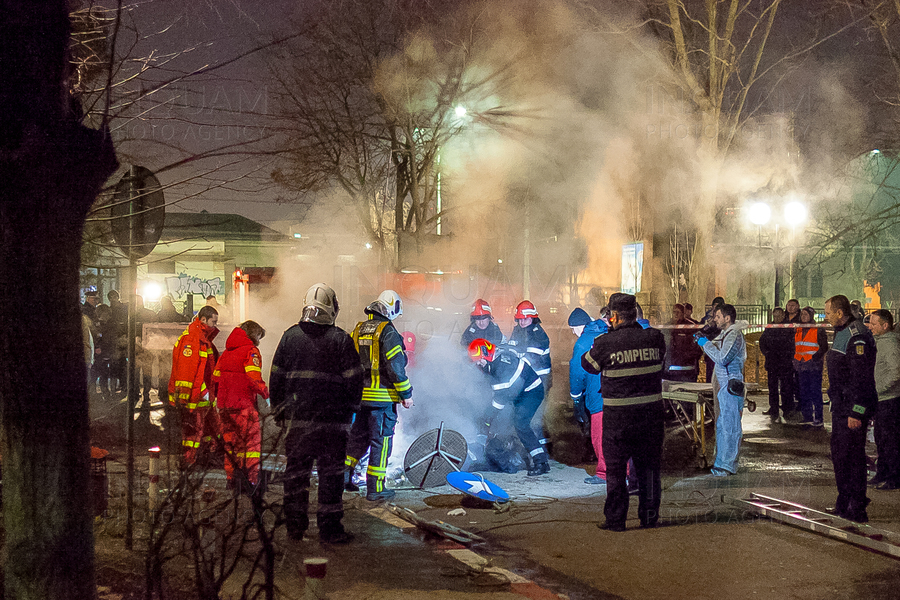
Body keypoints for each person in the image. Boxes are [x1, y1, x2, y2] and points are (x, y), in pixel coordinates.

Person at [270, 284, 363, 543]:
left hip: (297, 425)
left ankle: (294, 528)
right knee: (331, 477)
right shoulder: (341, 339)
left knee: (296, 476)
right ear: (332, 308)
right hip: (332, 426)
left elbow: (276, 378)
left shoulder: (289, 337)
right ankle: (330, 530)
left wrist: (278, 412)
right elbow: (354, 382)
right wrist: (351, 414)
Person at [582, 293, 666, 531]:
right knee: (649, 470)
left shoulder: (606, 343)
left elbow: (587, 364)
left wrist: (604, 339)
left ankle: (616, 520)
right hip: (651, 418)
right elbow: (662, 363)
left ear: (614, 316)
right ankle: (649, 517)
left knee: (617, 471)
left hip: (618, 420)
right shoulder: (655, 338)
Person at [345, 290, 414, 502]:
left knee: (357, 439)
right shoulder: (388, 332)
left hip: (360, 398)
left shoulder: (359, 329)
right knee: (381, 442)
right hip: (382, 399)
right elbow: (395, 367)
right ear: (391, 308)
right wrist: (406, 394)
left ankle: (344, 478)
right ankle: (375, 488)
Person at [823, 294, 877, 522]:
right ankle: (844, 501)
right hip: (841, 406)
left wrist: (857, 411)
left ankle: (857, 506)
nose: (825, 317)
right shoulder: (841, 332)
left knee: (853, 457)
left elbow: (861, 379)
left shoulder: (857, 337)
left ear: (839, 312)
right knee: (840, 455)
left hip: (851, 409)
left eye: (827, 313)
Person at [469, 338, 550, 476]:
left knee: (521, 423)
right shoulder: (493, 362)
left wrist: (488, 418)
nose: (478, 363)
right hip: (520, 393)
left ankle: (541, 462)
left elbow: (502, 396)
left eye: (479, 359)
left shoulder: (501, 365)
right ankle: (515, 453)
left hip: (532, 392)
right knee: (508, 422)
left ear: (486, 353)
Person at [213, 320, 269, 493]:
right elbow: (254, 378)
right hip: (244, 406)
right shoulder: (250, 351)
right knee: (250, 445)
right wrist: (266, 394)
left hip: (225, 406)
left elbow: (215, 378)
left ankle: (231, 479)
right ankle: (250, 480)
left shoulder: (226, 353)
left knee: (230, 444)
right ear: (254, 334)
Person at [696, 303, 747, 476]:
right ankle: (722, 463)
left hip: (731, 385)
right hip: (724, 386)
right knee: (723, 424)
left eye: (717, 316)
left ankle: (727, 465)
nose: (715, 320)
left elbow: (722, 357)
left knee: (730, 426)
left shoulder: (734, 335)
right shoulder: (726, 334)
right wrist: (704, 338)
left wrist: (705, 343)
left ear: (727, 318)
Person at [168, 305, 222, 467]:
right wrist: (184, 398)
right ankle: (187, 460)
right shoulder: (192, 339)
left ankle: (206, 456)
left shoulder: (202, 338)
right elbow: (186, 371)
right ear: (203, 320)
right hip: (195, 396)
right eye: (213, 321)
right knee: (194, 430)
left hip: (205, 394)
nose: (215, 325)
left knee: (210, 428)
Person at [568, 307, 608, 484]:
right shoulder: (607, 333)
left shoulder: (583, 342)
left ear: (580, 326)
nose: (573, 332)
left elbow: (577, 372)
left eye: (573, 328)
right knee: (617, 436)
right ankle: (627, 474)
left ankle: (605, 473)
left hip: (597, 395)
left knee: (599, 436)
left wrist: (576, 396)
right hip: (615, 393)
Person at [507, 300, 552, 450]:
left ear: (533, 318)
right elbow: (512, 351)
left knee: (535, 417)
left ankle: (540, 453)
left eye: (525, 318)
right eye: (519, 319)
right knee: (522, 416)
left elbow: (530, 360)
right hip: (524, 380)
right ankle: (527, 449)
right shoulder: (517, 331)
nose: (522, 321)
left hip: (540, 381)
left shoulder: (539, 335)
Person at [866, 309, 900, 490]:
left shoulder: (889, 344)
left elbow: (896, 371)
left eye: (873, 323)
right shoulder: (881, 342)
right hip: (882, 398)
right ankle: (883, 472)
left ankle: (894, 476)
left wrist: (879, 389)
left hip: (889, 399)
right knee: (880, 437)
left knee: (890, 440)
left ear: (885, 325)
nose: (870, 326)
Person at [759, 307, 795, 422]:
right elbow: (762, 341)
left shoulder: (788, 327)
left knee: (786, 387)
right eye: (775, 316)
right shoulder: (770, 327)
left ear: (783, 315)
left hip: (785, 362)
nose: (777, 318)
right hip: (772, 362)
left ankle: (787, 409)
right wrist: (767, 353)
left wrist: (787, 355)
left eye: (779, 316)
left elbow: (792, 343)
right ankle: (773, 408)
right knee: (772, 387)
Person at [794, 307, 828, 427]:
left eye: (806, 314)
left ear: (811, 316)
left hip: (814, 366)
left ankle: (819, 417)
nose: (803, 316)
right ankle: (807, 416)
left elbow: (823, 347)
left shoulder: (818, 329)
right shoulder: (797, 329)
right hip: (801, 365)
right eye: (802, 314)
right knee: (804, 392)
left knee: (815, 392)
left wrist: (815, 358)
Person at [666, 303, 702, 382]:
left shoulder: (690, 326)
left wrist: (688, 357)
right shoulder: (667, 326)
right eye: (674, 312)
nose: (676, 314)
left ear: (683, 313)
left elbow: (697, 347)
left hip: (688, 369)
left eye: (678, 312)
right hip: (671, 370)